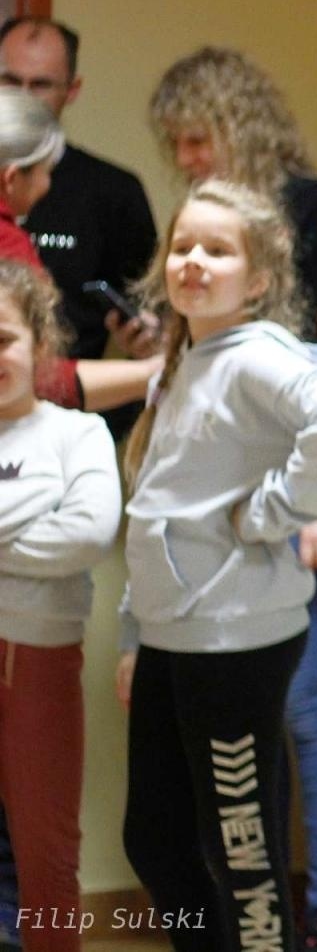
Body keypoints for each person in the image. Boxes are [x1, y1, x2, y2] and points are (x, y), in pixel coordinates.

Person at [147, 48, 317, 952]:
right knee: (226, 727)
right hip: (224, 516)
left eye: (199, 139)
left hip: (313, 495)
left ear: (239, 124)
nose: (190, 160)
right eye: (177, 148)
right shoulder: (207, 233)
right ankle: (248, 922)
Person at [0, 262, 120, 952]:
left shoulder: (78, 435)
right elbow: (56, 529)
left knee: (48, 849)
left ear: (41, 341)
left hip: (41, 661)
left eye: (2, 339)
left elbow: (86, 535)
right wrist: (29, 518)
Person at [0, 17, 160, 371]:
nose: (24, 97)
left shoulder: (115, 192)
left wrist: (145, 339)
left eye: (40, 85)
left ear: (71, 91)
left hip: (71, 397)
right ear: (11, 180)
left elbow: (150, 306)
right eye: (10, 81)